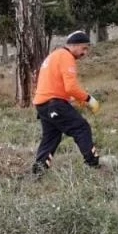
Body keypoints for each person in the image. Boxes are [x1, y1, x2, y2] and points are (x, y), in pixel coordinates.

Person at [32, 31, 101, 176]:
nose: (85, 53)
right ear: (74, 46)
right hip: (54, 103)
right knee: (81, 128)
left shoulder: (55, 55)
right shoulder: (66, 57)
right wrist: (89, 99)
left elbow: (59, 85)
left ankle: (38, 171)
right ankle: (93, 164)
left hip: (42, 105)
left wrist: (78, 99)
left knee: (51, 137)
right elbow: (71, 87)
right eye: (84, 48)